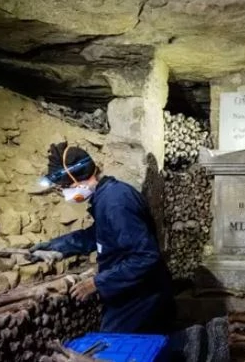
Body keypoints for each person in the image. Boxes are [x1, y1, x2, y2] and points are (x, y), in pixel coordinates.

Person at [29, 142, 176, 334]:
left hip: (141, 297)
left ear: (79, 179)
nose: (65, 193)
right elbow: (97, 235)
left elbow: (145, 256)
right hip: (130, 291)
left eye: (66, 187)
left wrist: (97, 283)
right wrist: (55, 246)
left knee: (120, 349)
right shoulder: (107, 196)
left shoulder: (116, 202)